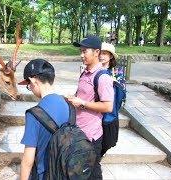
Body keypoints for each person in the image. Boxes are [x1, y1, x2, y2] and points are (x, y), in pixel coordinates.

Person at [68, 35, 114, 180]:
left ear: (96, 52)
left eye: (84, 51)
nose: (81, 55)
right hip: (80, 131)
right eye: (80, 51)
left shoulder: (102, 77)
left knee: (89, 172)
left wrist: (82, 102)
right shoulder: (85, 73)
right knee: (87, 171)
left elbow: (108, 106)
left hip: (91, 136)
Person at [18, 59, 70, 180]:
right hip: (66, 171)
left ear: (33, 80)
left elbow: (27, 161)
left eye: (28, 86)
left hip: (45, 174)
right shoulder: (68, 104)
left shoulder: (34, 114)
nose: (30, 88)